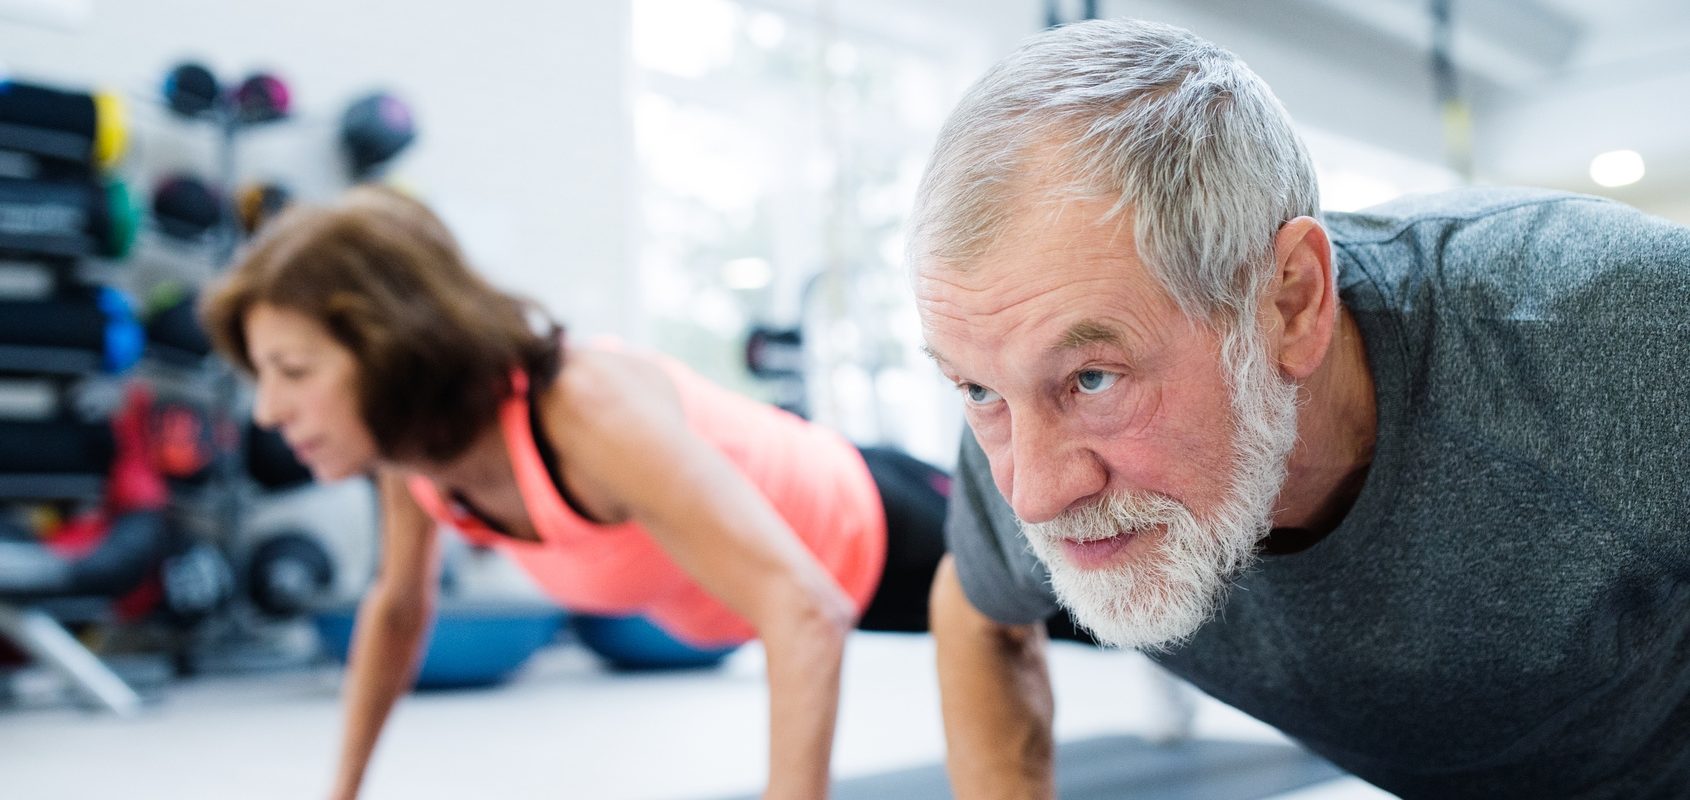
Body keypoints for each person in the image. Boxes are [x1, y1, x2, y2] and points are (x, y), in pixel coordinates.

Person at [909, 17, 1689, 799]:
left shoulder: (1623, 333)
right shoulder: (1023, 410)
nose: (1033, 495)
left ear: (1290, 304)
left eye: (1092, 379)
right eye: (976, 390)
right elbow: (976, 608)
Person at [199, 186, 954, 800]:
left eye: (293, 371)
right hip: (803, 587)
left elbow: (805, 607)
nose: (266, 411)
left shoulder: (584, 413)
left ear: (391, 350)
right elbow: (397, 610)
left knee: (1031, 632)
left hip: (881, 522)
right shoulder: (415, 456)